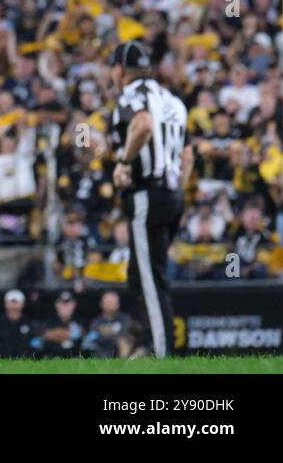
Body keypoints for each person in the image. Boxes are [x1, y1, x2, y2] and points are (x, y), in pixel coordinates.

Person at [109, 41, 191, 358]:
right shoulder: (173, 100)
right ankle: (143, 340)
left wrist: (124, 162)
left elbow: (142, 124)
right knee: (140, 274)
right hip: (172, 193)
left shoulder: (132, 95)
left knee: (150, 281)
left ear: (119, 70)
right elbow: (188, 154)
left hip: (148, 193)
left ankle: (161, 352)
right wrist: (176, 190)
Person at [83, 290, 136, 359]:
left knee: (124, 342)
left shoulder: (125, 319)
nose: (110, 304)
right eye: (108, 302)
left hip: (120, 352)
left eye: (113, 302)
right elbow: (94, 336)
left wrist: (105, 334)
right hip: (101, 352)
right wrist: (111, 337)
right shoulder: (96, 322)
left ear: (118, 304)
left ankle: (123, 365)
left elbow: (124, 334)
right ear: (101, 304)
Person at [0, 289, 33, 358]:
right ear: (5, 304)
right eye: (11, 302)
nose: (13, 306)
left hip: (24, 360)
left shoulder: (29, 323)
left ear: (23, 304)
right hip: (2, 360)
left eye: (16, 302)